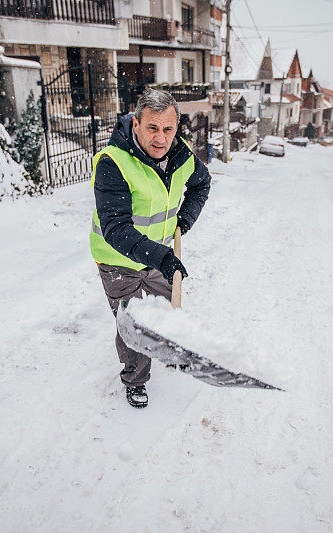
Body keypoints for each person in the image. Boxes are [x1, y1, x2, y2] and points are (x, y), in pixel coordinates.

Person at [90, 89, 211, 408]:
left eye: (168, 129)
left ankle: (169, 351)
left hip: (158, 256)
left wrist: (185, 220)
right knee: (134, 325)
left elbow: (201, 184)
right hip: (118, 262)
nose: (160, 138)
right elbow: (115, 228)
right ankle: (135, 379)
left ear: (177, 128)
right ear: (136, 124)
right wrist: (161, 256)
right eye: (152, 128)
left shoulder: (183, 155)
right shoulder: (113, 162)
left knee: (167, 312)